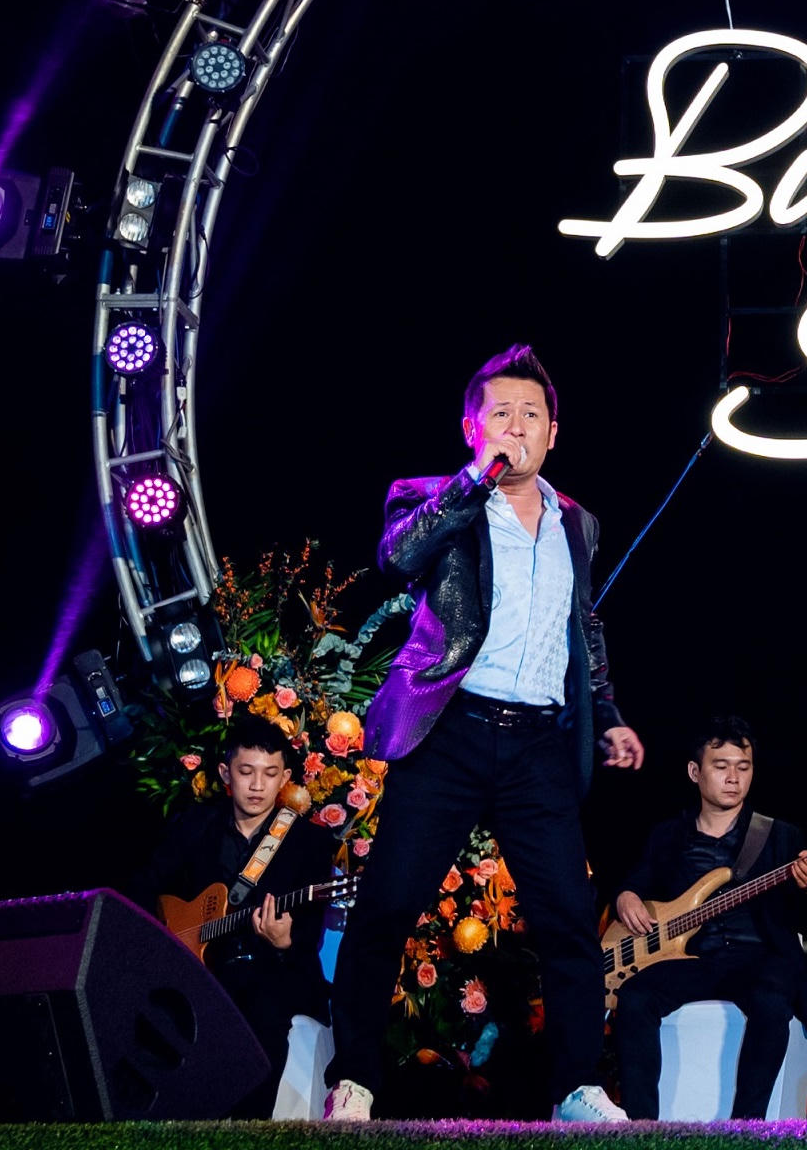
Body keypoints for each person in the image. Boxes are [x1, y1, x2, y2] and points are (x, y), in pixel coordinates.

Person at [325, 343, 646, 1123]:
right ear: (472, 427)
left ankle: (575, 1088)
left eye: (531, 414)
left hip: (537, 744)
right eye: (500, 413)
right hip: (451, 733)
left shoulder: (578, 522)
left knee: (568, 920)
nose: (517, 425)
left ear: (554, 432)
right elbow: (398, 557)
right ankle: (355, 1078)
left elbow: (583, 627)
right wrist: (475, 481)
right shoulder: (430, 497)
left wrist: (607, 716)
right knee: (388, 906)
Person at [609, 717, 807, 1120]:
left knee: (771, 1001)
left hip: (759, 959)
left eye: (743, 767)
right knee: (635, 998)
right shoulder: (668, 835)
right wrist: (626, 898)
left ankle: (745, 1128)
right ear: (695, 772)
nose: (733, 778)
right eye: (721, 766)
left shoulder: (780, 835)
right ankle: (641, 1126)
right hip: (692, 961)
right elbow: (634, 882)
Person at [133, 713, 338, 1119]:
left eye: (270, 774)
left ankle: (246, 1129)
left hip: (271, 971)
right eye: (246, 772)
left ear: (285, 778)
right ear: (226, 773)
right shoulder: (194, 826)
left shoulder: (309, 842)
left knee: (263, 1012)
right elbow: (146, 887)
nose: (257, 785)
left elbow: (309, 933)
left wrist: (285, 942)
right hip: (199, 971)